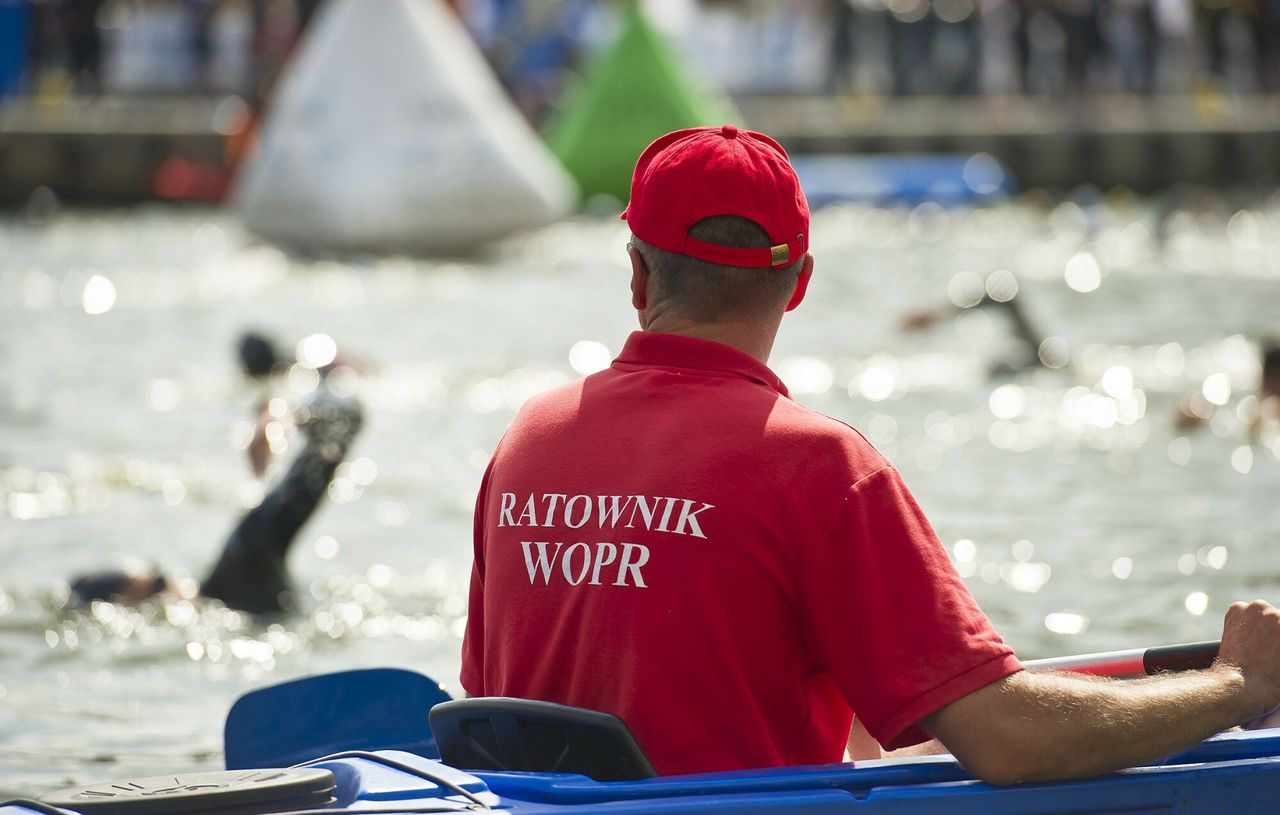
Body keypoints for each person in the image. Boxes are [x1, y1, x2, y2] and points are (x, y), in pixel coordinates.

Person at [460, 124, 1280, 784]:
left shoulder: (525, 440)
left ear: (637, 274)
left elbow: (502, 704)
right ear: (801, 282)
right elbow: (1009, 742)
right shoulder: (818, 466)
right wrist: (1235, 684)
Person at [70, 367, 362, 616]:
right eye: (154, 592)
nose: (164, 600)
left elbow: (345, 417)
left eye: (161, 583)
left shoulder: (248, 556)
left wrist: (280, 415)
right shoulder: (240, 571)